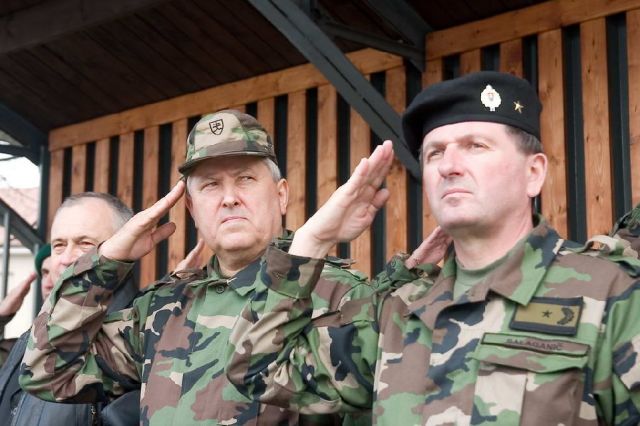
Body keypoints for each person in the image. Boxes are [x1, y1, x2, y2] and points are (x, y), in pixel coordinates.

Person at [224, 71, 640, 425]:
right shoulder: (396, 310)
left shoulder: (611, 295)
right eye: (435, 153)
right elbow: (257, 371)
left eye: (476, 146)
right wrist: (312, 241)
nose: (449, 166)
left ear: (534, 173)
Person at [20, 110, 373, 425]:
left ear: (281, 195)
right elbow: (46, 372)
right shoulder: (162, 309)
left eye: (245, 179)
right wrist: (107, 260)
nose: (229, 198)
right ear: (191, 207)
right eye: (211, 185)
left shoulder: (339, 295)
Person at [0, 193, 139, 426]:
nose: (65, 259)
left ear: (127, 245)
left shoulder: (140, 337)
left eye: (85, 243)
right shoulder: (33, 335)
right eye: (58, 245)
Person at [0, 244, 50, 366]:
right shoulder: (21, 349)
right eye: (45, 273)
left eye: (60, 273)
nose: (48, 284)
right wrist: (2, 315)